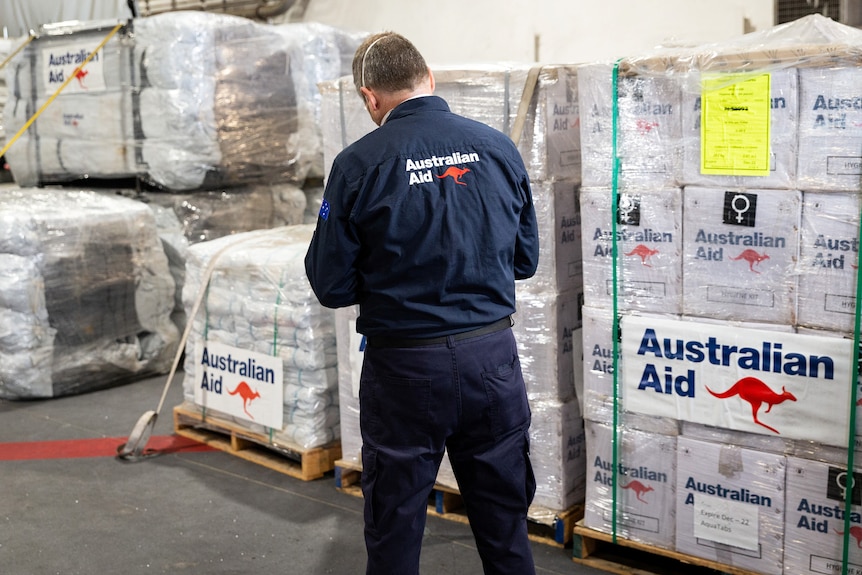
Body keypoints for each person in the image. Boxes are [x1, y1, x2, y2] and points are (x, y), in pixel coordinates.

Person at [305, 31, 539, 575]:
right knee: (505, 523)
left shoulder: (358, 164)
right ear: (429, 78)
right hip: (493, 362)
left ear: (370, 98)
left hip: (405, 369)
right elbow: (525, 261)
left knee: (395, 523)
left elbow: (331, 285)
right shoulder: (498, 148)